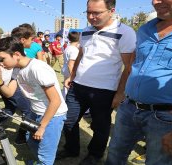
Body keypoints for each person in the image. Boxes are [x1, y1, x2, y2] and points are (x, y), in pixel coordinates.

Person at [58, 0, 136, 164]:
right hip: (78, 86)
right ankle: (71, 149)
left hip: (104, 90)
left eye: (96, 13)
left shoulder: (125, 32)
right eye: (88, 12)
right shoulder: (85, 30)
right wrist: (72, 75)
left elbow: (129, 67)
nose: (91, 17)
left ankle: (95, 154)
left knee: (100, 126)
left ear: (111, 10)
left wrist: (120, 93)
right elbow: (81, 54)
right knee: (68, 119)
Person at [105, 0, 172, 164]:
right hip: (128, 108)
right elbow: (133, 65)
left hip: (165, 118)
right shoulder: (145, 29)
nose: (155, 2)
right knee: (114, 154)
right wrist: (120, 94)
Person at [0, 37, 68, 165]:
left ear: (16, 54)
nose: (0, 64)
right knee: (30, 139)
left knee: (46, 155)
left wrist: (42, 126)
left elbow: (56, 101)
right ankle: (39, 160)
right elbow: (9, 93)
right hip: (35, 111)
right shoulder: (17, 69)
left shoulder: (37, 69)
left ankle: (43, 161)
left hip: (52, 115)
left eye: (1, 59)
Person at [61, 31, 80, 99]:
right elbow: (71, 64)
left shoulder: (68, 47)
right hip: (70, 71)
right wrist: (73, 75)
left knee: (65, 87)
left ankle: (64, 99)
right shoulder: (74, 50)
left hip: (66, 70)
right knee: (69, 87)